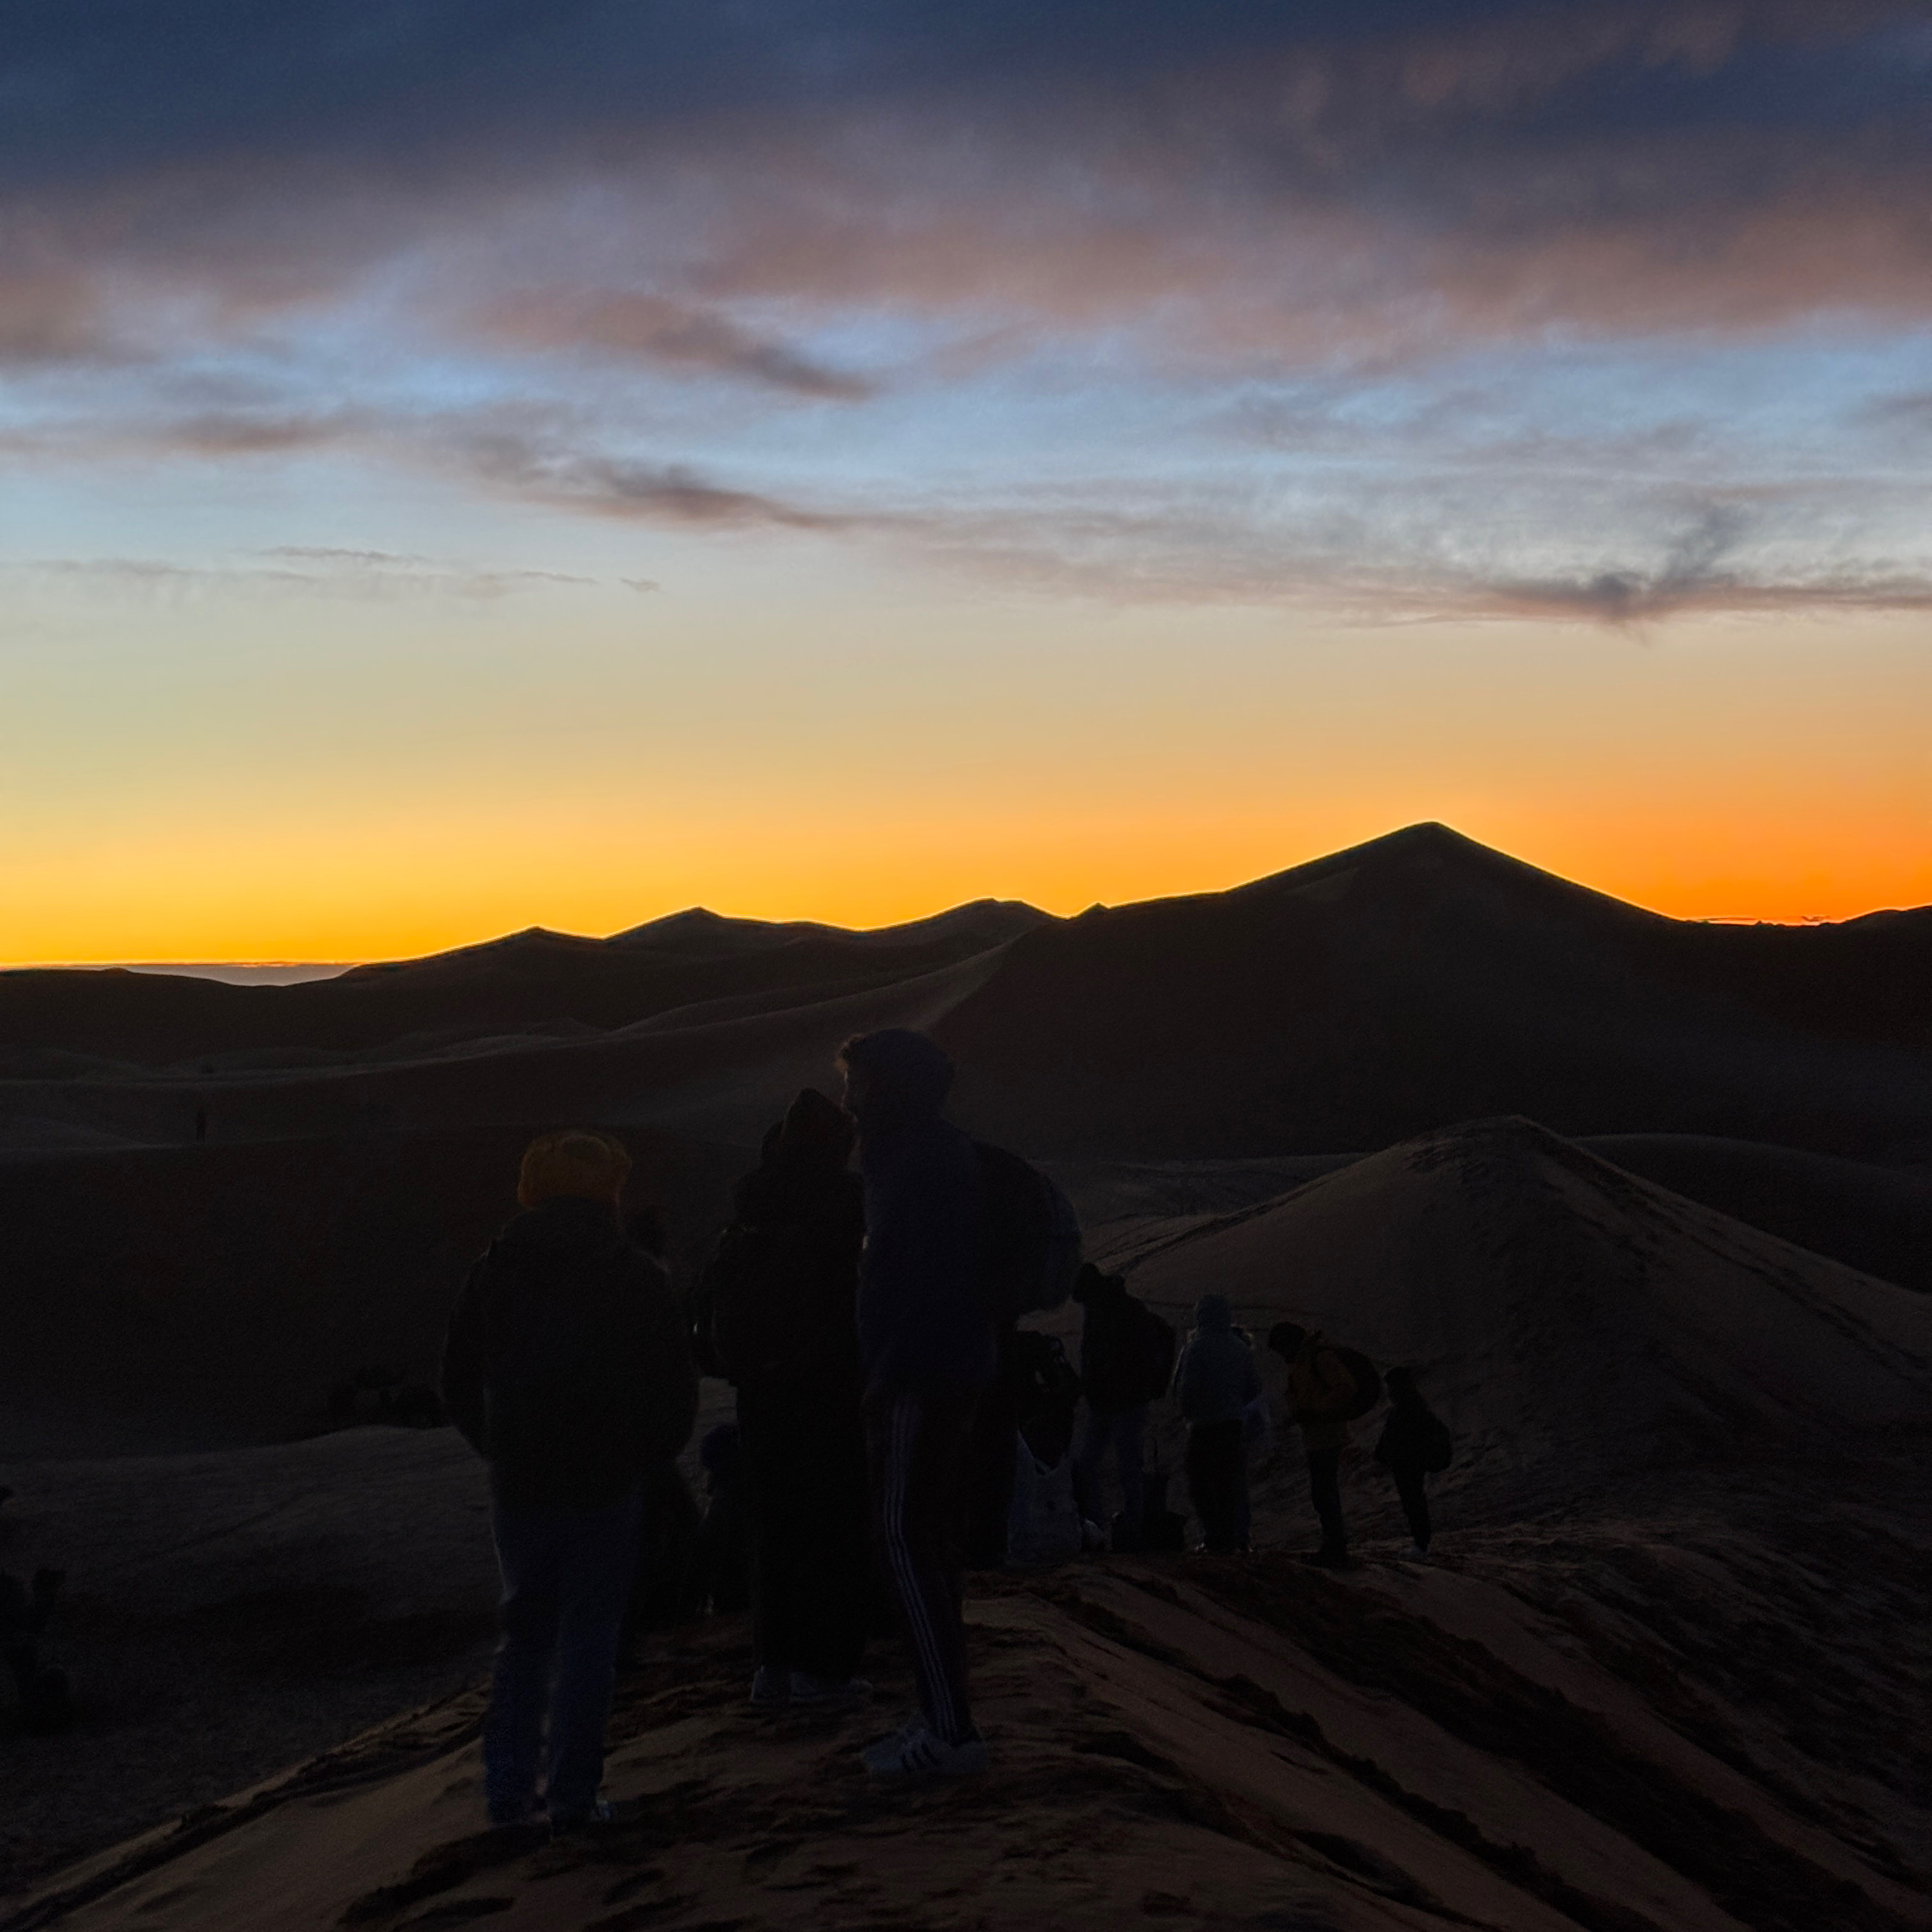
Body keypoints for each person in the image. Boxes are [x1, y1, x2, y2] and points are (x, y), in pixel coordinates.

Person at [441, 1130, 696, 1834]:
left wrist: (497, 1445)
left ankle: (509, 1799)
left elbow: (456, 1376)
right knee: (589, 1639)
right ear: (606, 1193)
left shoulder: (497, 1268)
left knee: (526, 1637)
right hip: (606, 1482)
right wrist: (645, 1457)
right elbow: (676, 1386)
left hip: (522, 1483)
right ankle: (573, 1801)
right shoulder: (632, 1272)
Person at [839, 1028, 994, 1781]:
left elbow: (911, 1278)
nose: (848, 1096)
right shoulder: (926, 1152)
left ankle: (950, 1731)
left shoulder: (916, 1159)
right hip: (937, 1367)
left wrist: (886, 1369)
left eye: (858, 1080)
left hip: (918, 1372)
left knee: (903, 1539)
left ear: (886, 1087)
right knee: (925, 1539)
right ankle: (940, 1714)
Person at [698, 1087, 873, 1707]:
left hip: (760, 1389)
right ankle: (822, 1670)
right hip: (827, 1384)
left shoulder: (753, 1201)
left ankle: (771, 1666)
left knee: (773, 1525)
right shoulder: (842, 1199)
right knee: (831, 1524)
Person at [1069, 1264, 1173, 1548]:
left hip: (1123, 1401)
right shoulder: (1109, 1309)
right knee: (1101, 1465)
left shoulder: (1121, 1311)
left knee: (1122, 1466)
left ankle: (1127, 1529)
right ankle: (1103, 1527)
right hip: (1109, 1401)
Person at [1172, 1295, 1260, 1551]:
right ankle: (1236, 1537)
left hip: (1203, 1425)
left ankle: (1215, 1536)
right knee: (1231, 1482)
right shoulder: (1239, 1347)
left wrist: (1189, 1413)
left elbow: (1183, 1388)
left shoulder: (1195, 1347)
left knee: (1201, 1483)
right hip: (1233, 1423)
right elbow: (1253, 1387)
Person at [1269, 1322, 1359, 1569]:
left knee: (1324, 1494)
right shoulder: (1304, 1360)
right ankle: (1334, 1546)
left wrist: (1315, 1411)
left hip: (1327, 1435)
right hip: (1318, 1435)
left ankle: (1336, 1548)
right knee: (1324, 1493)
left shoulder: (1319, 1357)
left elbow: (1346, 1388)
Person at [1374, 1368, 1452, 1557]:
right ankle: (1421, 1543)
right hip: (1407, 1463)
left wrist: (1385, 1455)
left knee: (1413, 1503)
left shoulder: (1409, 1409)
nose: (1389, 1392)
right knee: (1413, 1502)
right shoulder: (1412, 1407)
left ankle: (1421, 1544)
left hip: (1409, 1463)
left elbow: (1397, 1436)